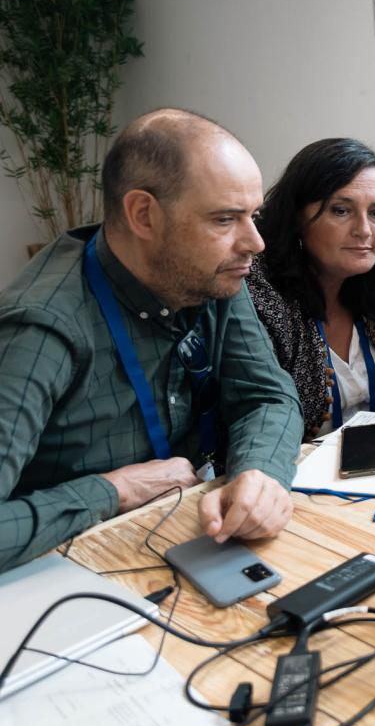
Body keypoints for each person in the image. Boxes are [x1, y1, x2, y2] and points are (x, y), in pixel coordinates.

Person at [0, 108, 305, 573]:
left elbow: (266, 395)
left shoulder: (212, 275)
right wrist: (113, 490)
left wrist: (260, 472)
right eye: (225, 220)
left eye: (253, 215)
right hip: (63, 572)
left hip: (179, 539)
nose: (255, 242)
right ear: (143, 214)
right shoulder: (41, 330)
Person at [246, 138, 375, 440]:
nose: (364, 230)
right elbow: (264, 425)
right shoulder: (259, 289)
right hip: (293, 473)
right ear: (297, 217)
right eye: (341, 211)